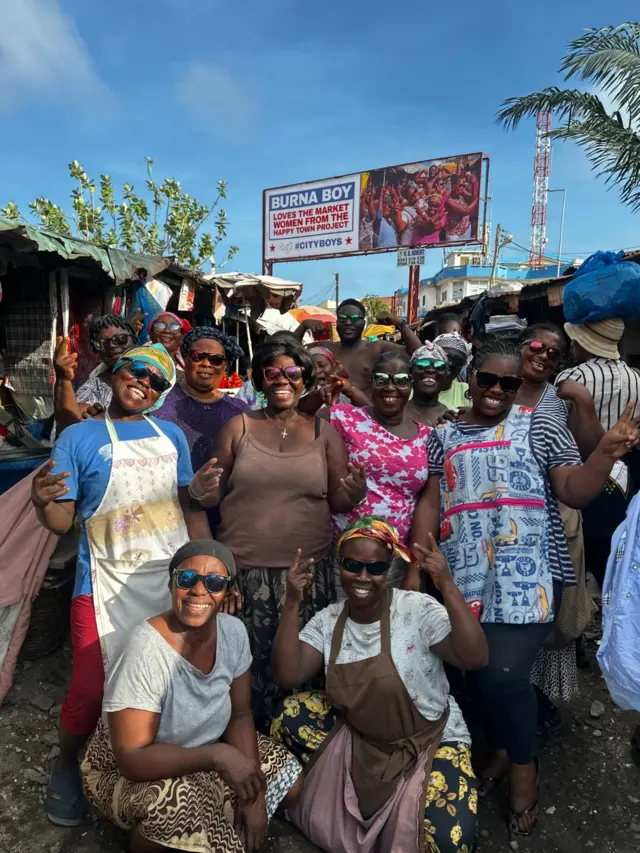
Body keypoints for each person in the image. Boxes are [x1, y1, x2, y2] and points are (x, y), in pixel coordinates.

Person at [410, 337, 640, 839]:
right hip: (461, 576)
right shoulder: (442, 437)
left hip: (528, 576)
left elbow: (574, 490)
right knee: (472, 674)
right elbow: (430, 501)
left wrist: (604, 450)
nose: (495, 390)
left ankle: (522, 771)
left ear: (518, 387)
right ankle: (498, 749)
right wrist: (417, 563)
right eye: (487, 379)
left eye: (507, 383)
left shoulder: (538, 423)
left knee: (503, 676)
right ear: (468, 378)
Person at [33, 344, 211, 827]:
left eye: (157, 381)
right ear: (115, 372)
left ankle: (142, 766)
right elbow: (61, 519)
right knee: (91, 688)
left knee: (164, 683)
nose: (144, 384)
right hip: (104, 581)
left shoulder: (171, 434)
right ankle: (66, 764)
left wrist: (213, 572)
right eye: (137, 372)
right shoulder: (79, 436)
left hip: (169, 582)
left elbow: (188, 506)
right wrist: (41, 501)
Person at [270, 517, 487, 853]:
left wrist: (445, 584)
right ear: (339, 566)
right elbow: (288, 674)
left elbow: (475, 658)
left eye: (375, 568)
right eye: (352, 565)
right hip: (362, 740)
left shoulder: (415, 610)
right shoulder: (329, 621)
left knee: (449, 839)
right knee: (290, 714)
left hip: (426, 742)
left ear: (389, 570)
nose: (363, 577)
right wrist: (292, 601)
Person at [81, 539, 302, 853]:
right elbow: (132, 758)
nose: (199, 590)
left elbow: (240, 714)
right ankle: (145, 839)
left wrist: (252, 795)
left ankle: (209, 817)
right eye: (186, 579)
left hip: (204, 746)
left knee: (289, 781)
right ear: (171, 583)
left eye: (214, 582)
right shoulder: (145, 649)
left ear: (228, 591)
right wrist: (218, 757)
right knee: (177, 812)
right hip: (126, 766)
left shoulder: (233, 632)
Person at [189, 337, 367, 725]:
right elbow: (212, 494)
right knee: (244, 675)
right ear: (260, 380)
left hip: (307, 577)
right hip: (245, 574)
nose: (281, 380)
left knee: (302, 675)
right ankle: (250, 754)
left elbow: (338, 500)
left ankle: (298, 760)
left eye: (291, 372)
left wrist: (354, 494)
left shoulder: (325, 434)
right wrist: (201, 489)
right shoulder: (238, 427)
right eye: (271, 373)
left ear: (304, 378)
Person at [515, 324, 603, 724]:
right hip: (509, 523)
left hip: (556, 516)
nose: (544, 355)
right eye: (537, 346)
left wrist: (582, 401)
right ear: (520, 347)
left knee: (553, 613)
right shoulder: (496, 387)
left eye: (555, 352)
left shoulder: (561, 398)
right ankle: (510, 692)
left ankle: (543, 698)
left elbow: (589, 451)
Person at [324, 351, 432, 591]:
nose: (390, 387)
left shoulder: (428, 437)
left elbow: (428, 506)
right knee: (342, 624)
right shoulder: (343, 417)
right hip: (345, 556)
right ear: (370, 382)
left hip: (397, 559)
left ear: (411, 385)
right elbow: (298, 419)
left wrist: (414, 568)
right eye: (381, 379)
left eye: (401, 380)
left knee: (391, 626)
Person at [556, 317, 640, 586]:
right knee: (618, 539)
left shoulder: (573, 378)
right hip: (627, 469)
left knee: (584, 538)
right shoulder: (636, 376)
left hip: (583, 467)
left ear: (583, 343)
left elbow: (558, 425)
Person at [156, 326, 249, 473]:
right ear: (184, 358)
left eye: (216, 360)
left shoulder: (240, 412)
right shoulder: (158, 402)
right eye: (198, 356)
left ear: (225, 366)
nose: (206, 364)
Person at [53, 315, 139, 430]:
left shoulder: (156, 369)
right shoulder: (96, 385)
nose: (112, 346)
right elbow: (72, 422)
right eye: (102, 343)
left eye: (120, 339)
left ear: (134, 338)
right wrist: (63, 380)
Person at [323, 299, 422, 392]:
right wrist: (306, 327)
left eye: (354, 319)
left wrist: (400, 323)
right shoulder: (326, 349)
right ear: (337, 323)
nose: (348, 323)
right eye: (343, 319)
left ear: (363, 323)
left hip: (365, 409)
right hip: (333, 409)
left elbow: (418, 354)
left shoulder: (376, 348)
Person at [405, 342, 451, 427]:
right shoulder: (396, 413)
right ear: (411, 372)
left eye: (439, 366)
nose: (430, 370)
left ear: (446, 375)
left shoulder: (451, 416)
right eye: (422, 364)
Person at [433, 333, 473, 411]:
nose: (449, 364)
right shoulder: (413, 389)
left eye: (456, 361)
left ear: (463, 365)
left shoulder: (466, 390)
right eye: (444, 358)